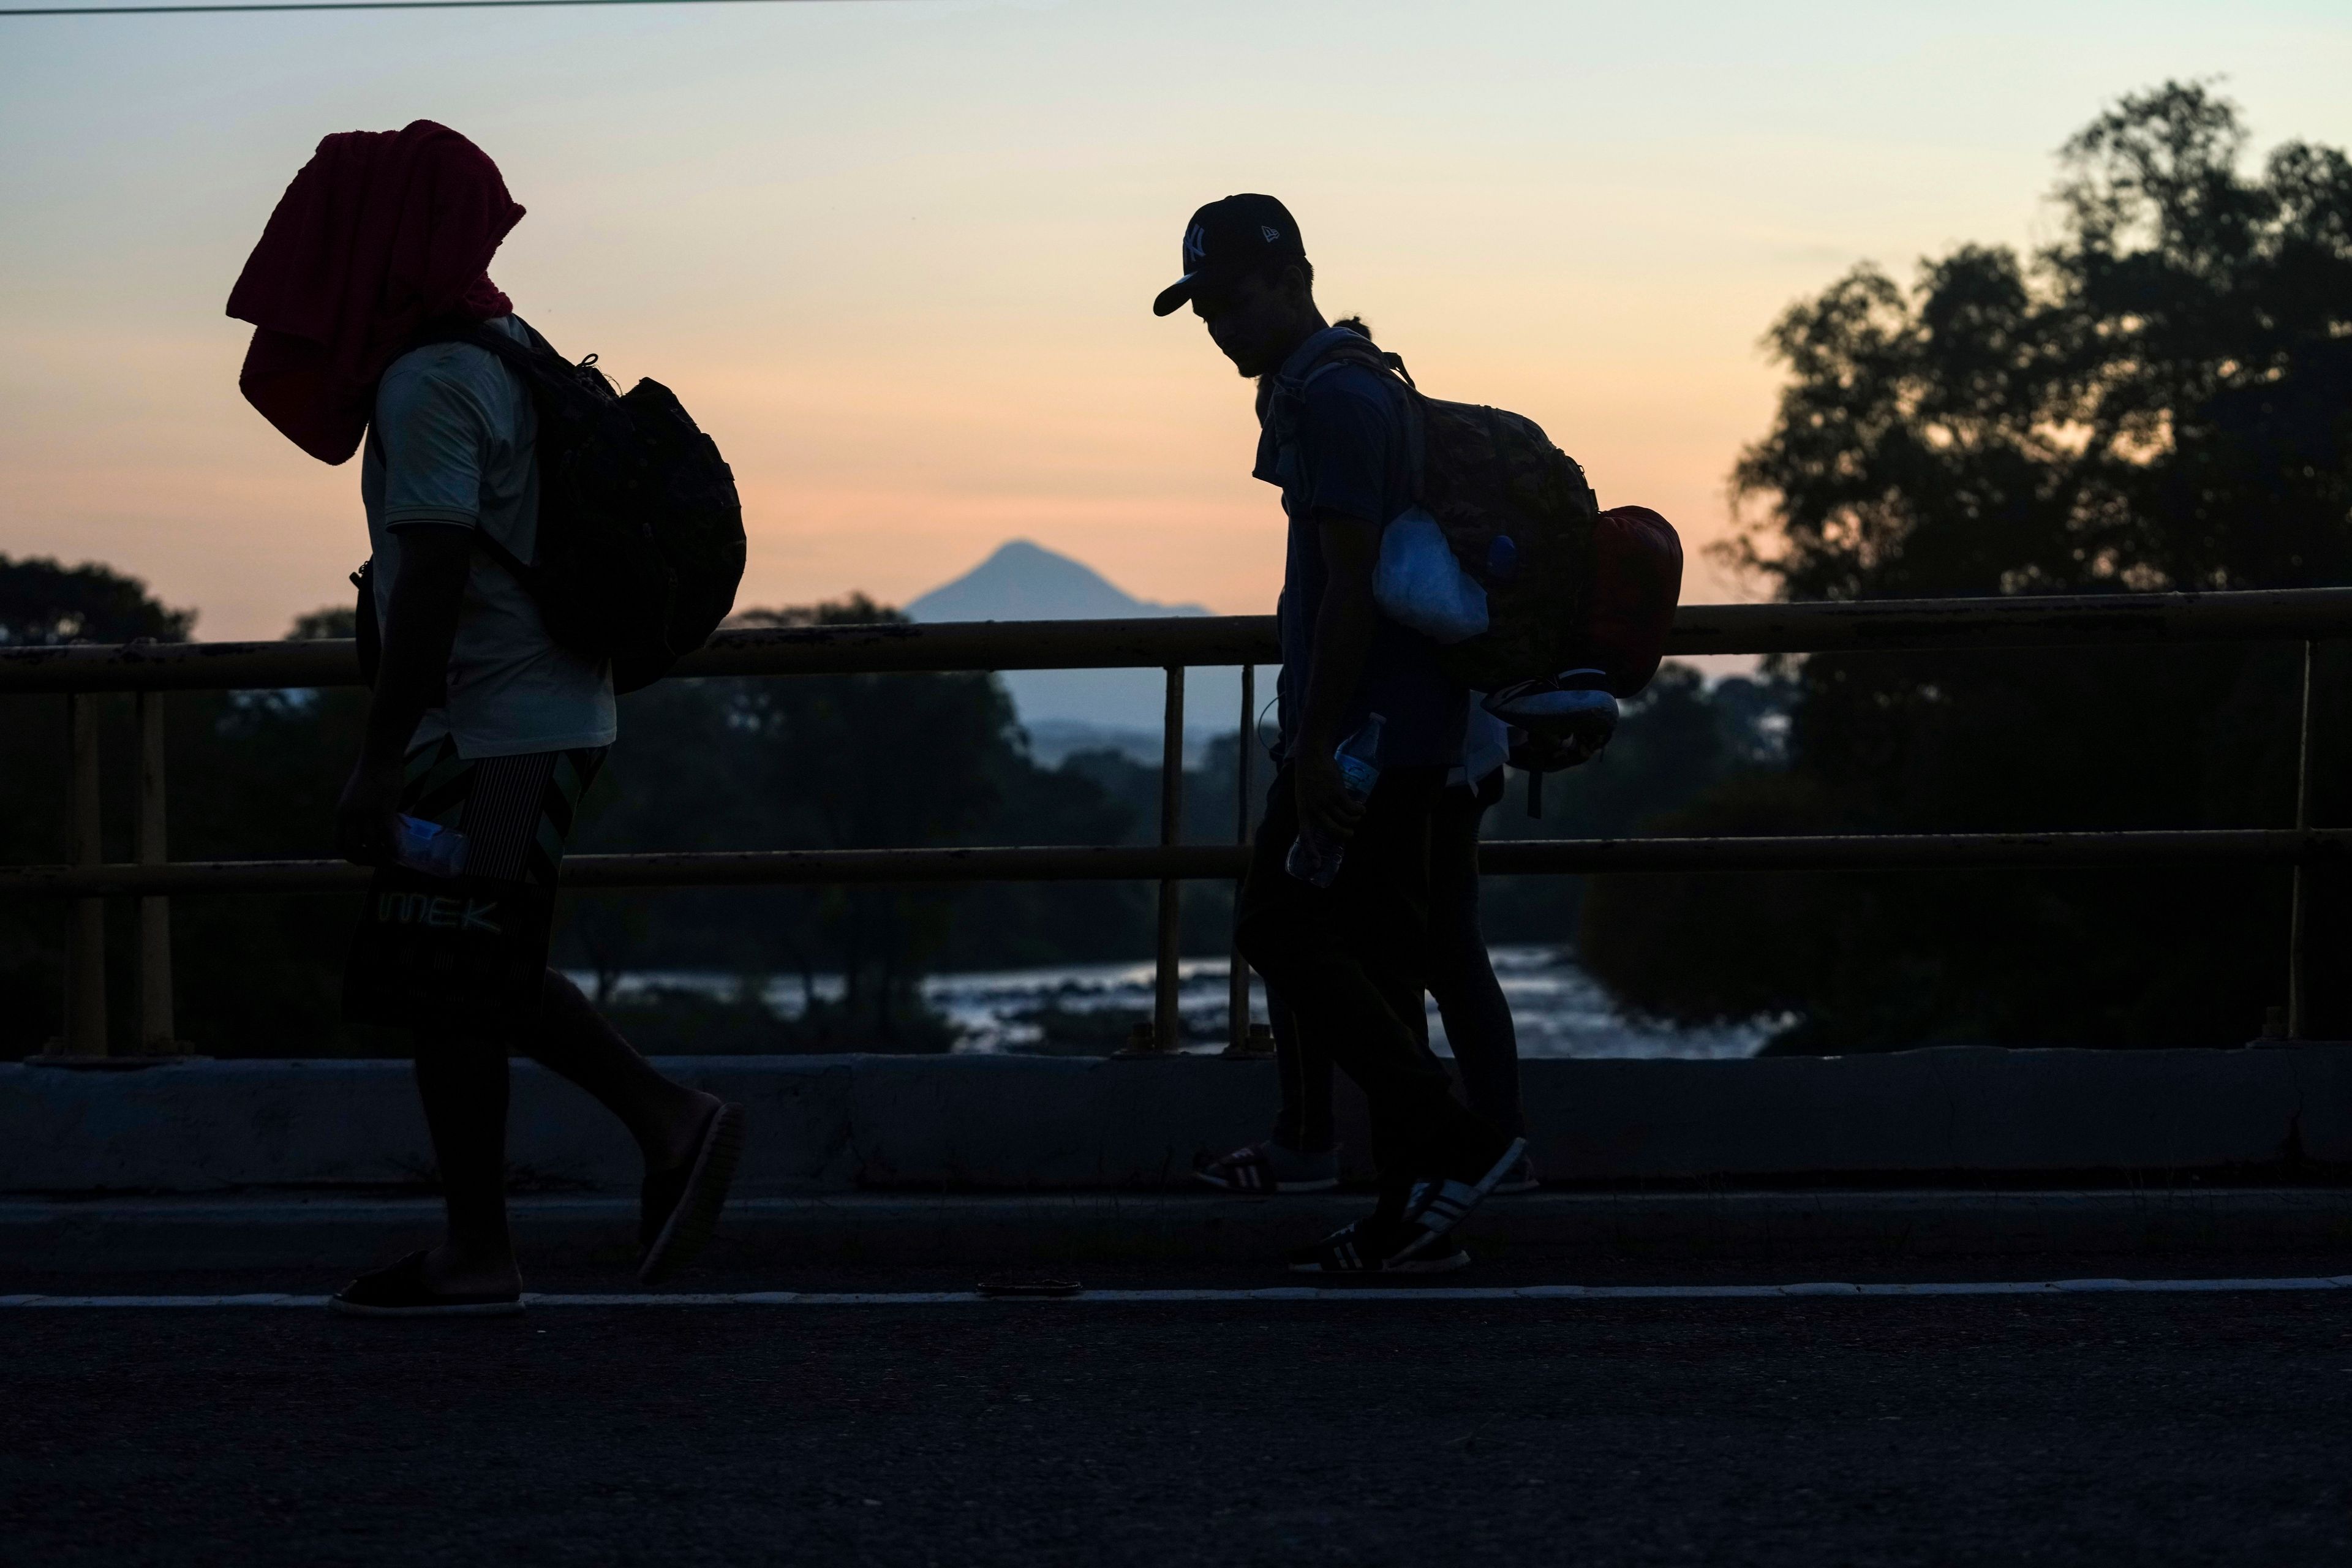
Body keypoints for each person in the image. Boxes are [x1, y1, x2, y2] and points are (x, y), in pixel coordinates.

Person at [227, 121, 744, 1316]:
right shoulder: (504, 346)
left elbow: (439, 572)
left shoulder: (430, 380)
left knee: (465, 963)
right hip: (516, 717)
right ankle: (482, 1242)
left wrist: (374, 760)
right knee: (448, 966)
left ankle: (667, 1122)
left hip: (495, 729)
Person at [1155, 195, 1523, 1273]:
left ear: (1290, 279)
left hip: (1367, 739)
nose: (1218, 323)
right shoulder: (1344, 385)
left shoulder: (1334, 403)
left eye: (1231, 299)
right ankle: (1415, 1214)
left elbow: (1352, 587)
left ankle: (1457, 1140)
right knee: (1378, 957)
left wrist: (1314, 749)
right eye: (1204, 307)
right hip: (1395, 732)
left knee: (1279, 925)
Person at [1198, 701, 1535, 1194]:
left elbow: (1347, 627)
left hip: (1367, 749)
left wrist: (1310, 749)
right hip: (1461, 748)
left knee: (1291, 925)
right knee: (1446, 948)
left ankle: (1316, 1140)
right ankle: (1493, 1146)